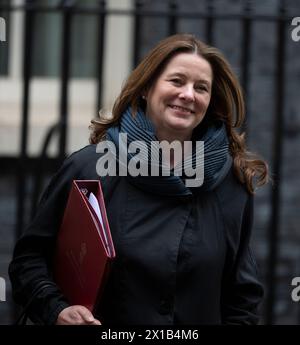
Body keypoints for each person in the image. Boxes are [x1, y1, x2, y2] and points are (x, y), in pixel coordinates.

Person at [9, 33, 269, 325]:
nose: (188, 94)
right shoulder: (91, 167)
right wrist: (57, 310)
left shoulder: (230, 185)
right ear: (146, 88)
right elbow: (29, 262)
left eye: (201, 88)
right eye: (176, 81)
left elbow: (243, 299)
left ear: (210, 102)